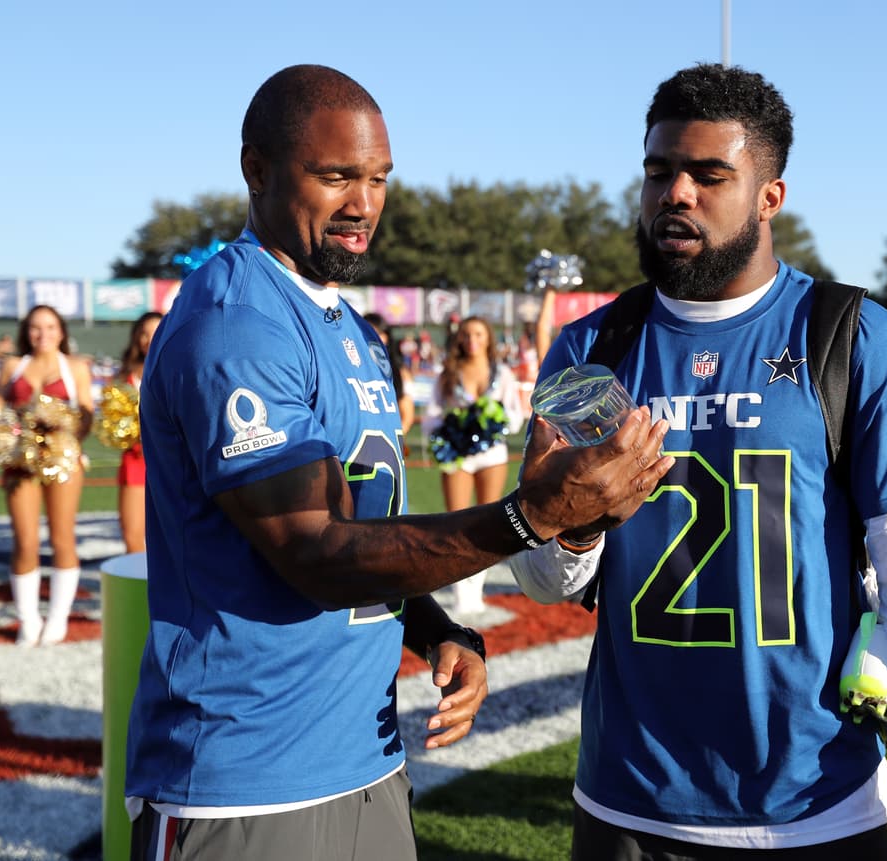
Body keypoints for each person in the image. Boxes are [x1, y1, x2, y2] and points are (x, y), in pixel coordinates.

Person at [124, 64, 672, 861]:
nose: (363, 204)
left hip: (365, 756)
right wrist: (534, 517)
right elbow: (313, 551)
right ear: (257, 170)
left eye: (378, 178)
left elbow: (366, 534)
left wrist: (436, 625)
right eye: (336, 176)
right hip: (244, 777)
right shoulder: (238, 322)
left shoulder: (349, 327)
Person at [509, 64, 887, 860]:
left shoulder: (852, 337)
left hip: (819, 802)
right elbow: (545, 582)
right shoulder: (590, 350)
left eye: (708, 174)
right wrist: (576, 523)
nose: (676, 194)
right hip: (631, 803)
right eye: (659, 172)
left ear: (770, 196)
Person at [0, 305, 94, 646]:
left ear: (61, 331)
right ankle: (28, 618)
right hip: (20, 462)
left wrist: (67, 435)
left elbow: (87, 414)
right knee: (25, 541)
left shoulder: (76, 367)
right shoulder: (12, 365)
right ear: (27, 332)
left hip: (62, 460)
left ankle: (58, 617)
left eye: (50, 327)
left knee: (62, 538)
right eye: (36, 328)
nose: (43, 334)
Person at [423, 315, 526, 614]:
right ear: (459, 338)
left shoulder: (502, 373)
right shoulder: (448, 373)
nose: (472, 340)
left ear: (488, 338)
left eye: (479, 334)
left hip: (492, 454)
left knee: (487, 521)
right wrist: (452, 430)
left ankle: (476, 588)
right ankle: (460, 592)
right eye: (467, 334)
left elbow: (515, 414)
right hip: (457, 455)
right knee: (456, 521)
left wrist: (493, 426)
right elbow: (432, 413)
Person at [113, 311, 162, 554]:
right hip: (135, 460)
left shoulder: (181, 367)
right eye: (143, 333)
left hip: (171, 462)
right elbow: (110, 424)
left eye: (154, 332)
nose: (148, 339)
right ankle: (139, 592)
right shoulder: (124, 377)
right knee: (132, 536)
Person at [362, 310, 415, 431]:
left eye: (376, 333)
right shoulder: (351, 368)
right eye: (364, 333)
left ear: (386, 337)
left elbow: (407, 416)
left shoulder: (401, 373)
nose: (369, 339)